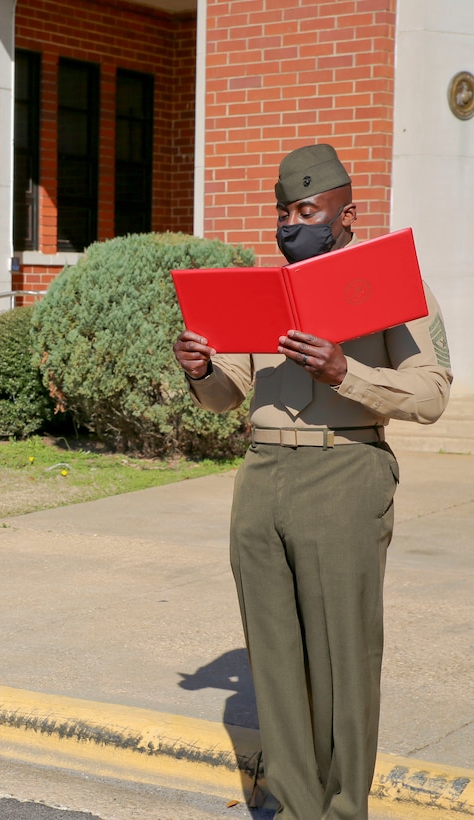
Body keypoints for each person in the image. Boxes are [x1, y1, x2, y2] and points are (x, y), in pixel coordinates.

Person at [172, 143, 452, 820]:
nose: (290, 224)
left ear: (346, 213)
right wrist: (201, 369)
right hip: (263, 473)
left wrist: (343, 373)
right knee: (274, 657)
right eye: (282, 212)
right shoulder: (263, 291)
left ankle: (343, 807)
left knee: (342, 658)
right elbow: (228, 397)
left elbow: (431, 394)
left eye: (306, 210)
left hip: (345, 469)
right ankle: (295, 805)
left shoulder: (393, 282)